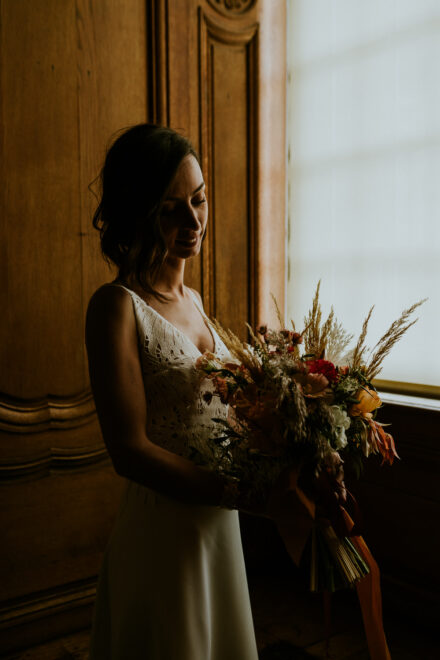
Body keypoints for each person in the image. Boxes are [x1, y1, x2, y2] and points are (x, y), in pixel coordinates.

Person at [85, 123, 260, 659]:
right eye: (170, 208)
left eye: (200, 200)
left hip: (217, 526)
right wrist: (232, 492)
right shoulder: (115, 307)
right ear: (140, 213)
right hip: (164, 529)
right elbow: (129, 450)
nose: (193, 221)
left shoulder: (196, 300)